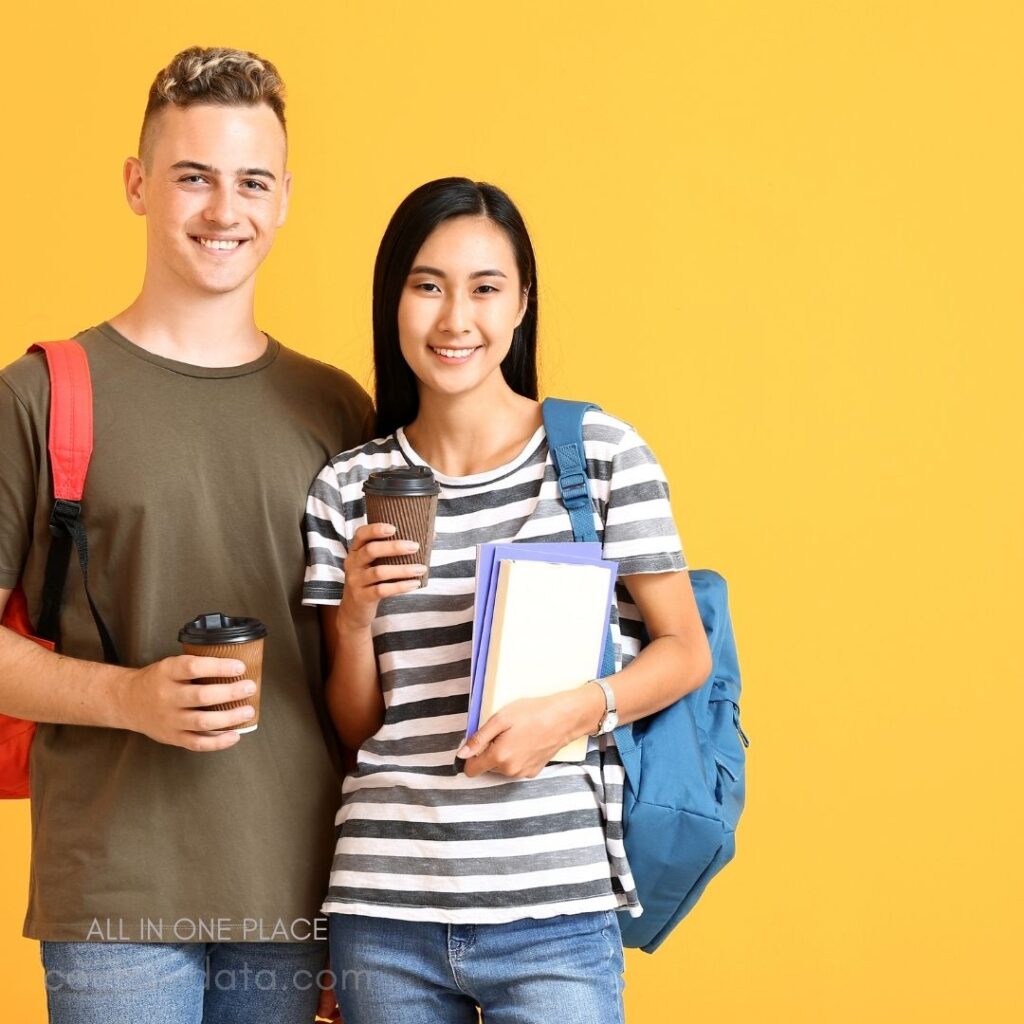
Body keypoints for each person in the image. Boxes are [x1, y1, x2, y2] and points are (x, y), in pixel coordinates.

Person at [0, 47, 372, 1023]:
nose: (224, 210)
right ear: (137, 185)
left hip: (293, 895)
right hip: (116, 900)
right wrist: (128, 696)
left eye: (251, 181)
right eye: (192, 177)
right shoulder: (39, 395)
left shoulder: (337, 407)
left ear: (285, 198)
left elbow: (370, 655)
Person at [303, 177, 713, 1024]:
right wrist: (351, 620)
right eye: (428, 286)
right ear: (394, 301)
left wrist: (571, 712)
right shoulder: (346, 487)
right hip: (385, 909)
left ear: (522, 303)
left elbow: (685, 649)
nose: (456, 319)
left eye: (485, 288)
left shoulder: (598, 456)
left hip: (555, 911)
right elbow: (358, 730)